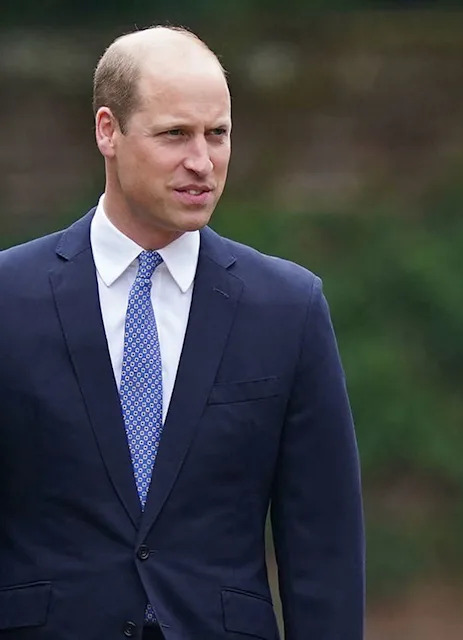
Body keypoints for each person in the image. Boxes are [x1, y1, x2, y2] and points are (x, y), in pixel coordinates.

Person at [0, 26, 363, 640]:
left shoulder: (288, 307)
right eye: (175, 134)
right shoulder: (9, 297)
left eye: (216, 134)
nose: (202, 161)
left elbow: (322, 544)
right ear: (107, 131)